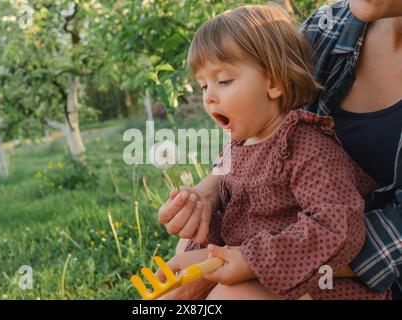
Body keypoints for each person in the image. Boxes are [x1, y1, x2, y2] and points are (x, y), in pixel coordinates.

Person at [158, 0, 402, 300]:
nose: (209, 99)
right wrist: (203, 200)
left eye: (223, 81)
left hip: (328, 279)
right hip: (265, 252)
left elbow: (338, 229)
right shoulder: (323, 30)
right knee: (183, 260)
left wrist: (247, 262)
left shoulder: (309, 149)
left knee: (232, 296)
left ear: (275, 83)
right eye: (203, 87)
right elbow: (233, 178)